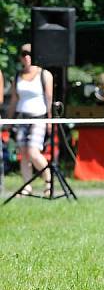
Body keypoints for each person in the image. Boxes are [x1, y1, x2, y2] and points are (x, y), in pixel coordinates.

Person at [7, 44, 52, 195]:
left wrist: (50, 120)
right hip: (21, 117)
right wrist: (8, 120)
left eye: (30, 53)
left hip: (39, 117)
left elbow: (49, 99)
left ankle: (48, 182)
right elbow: (14, 100)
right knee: (23, 153)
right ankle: (27, 186)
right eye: (23, 53)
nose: (26, 56)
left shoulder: (44, 74)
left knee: (33, 152)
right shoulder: (17, 76)